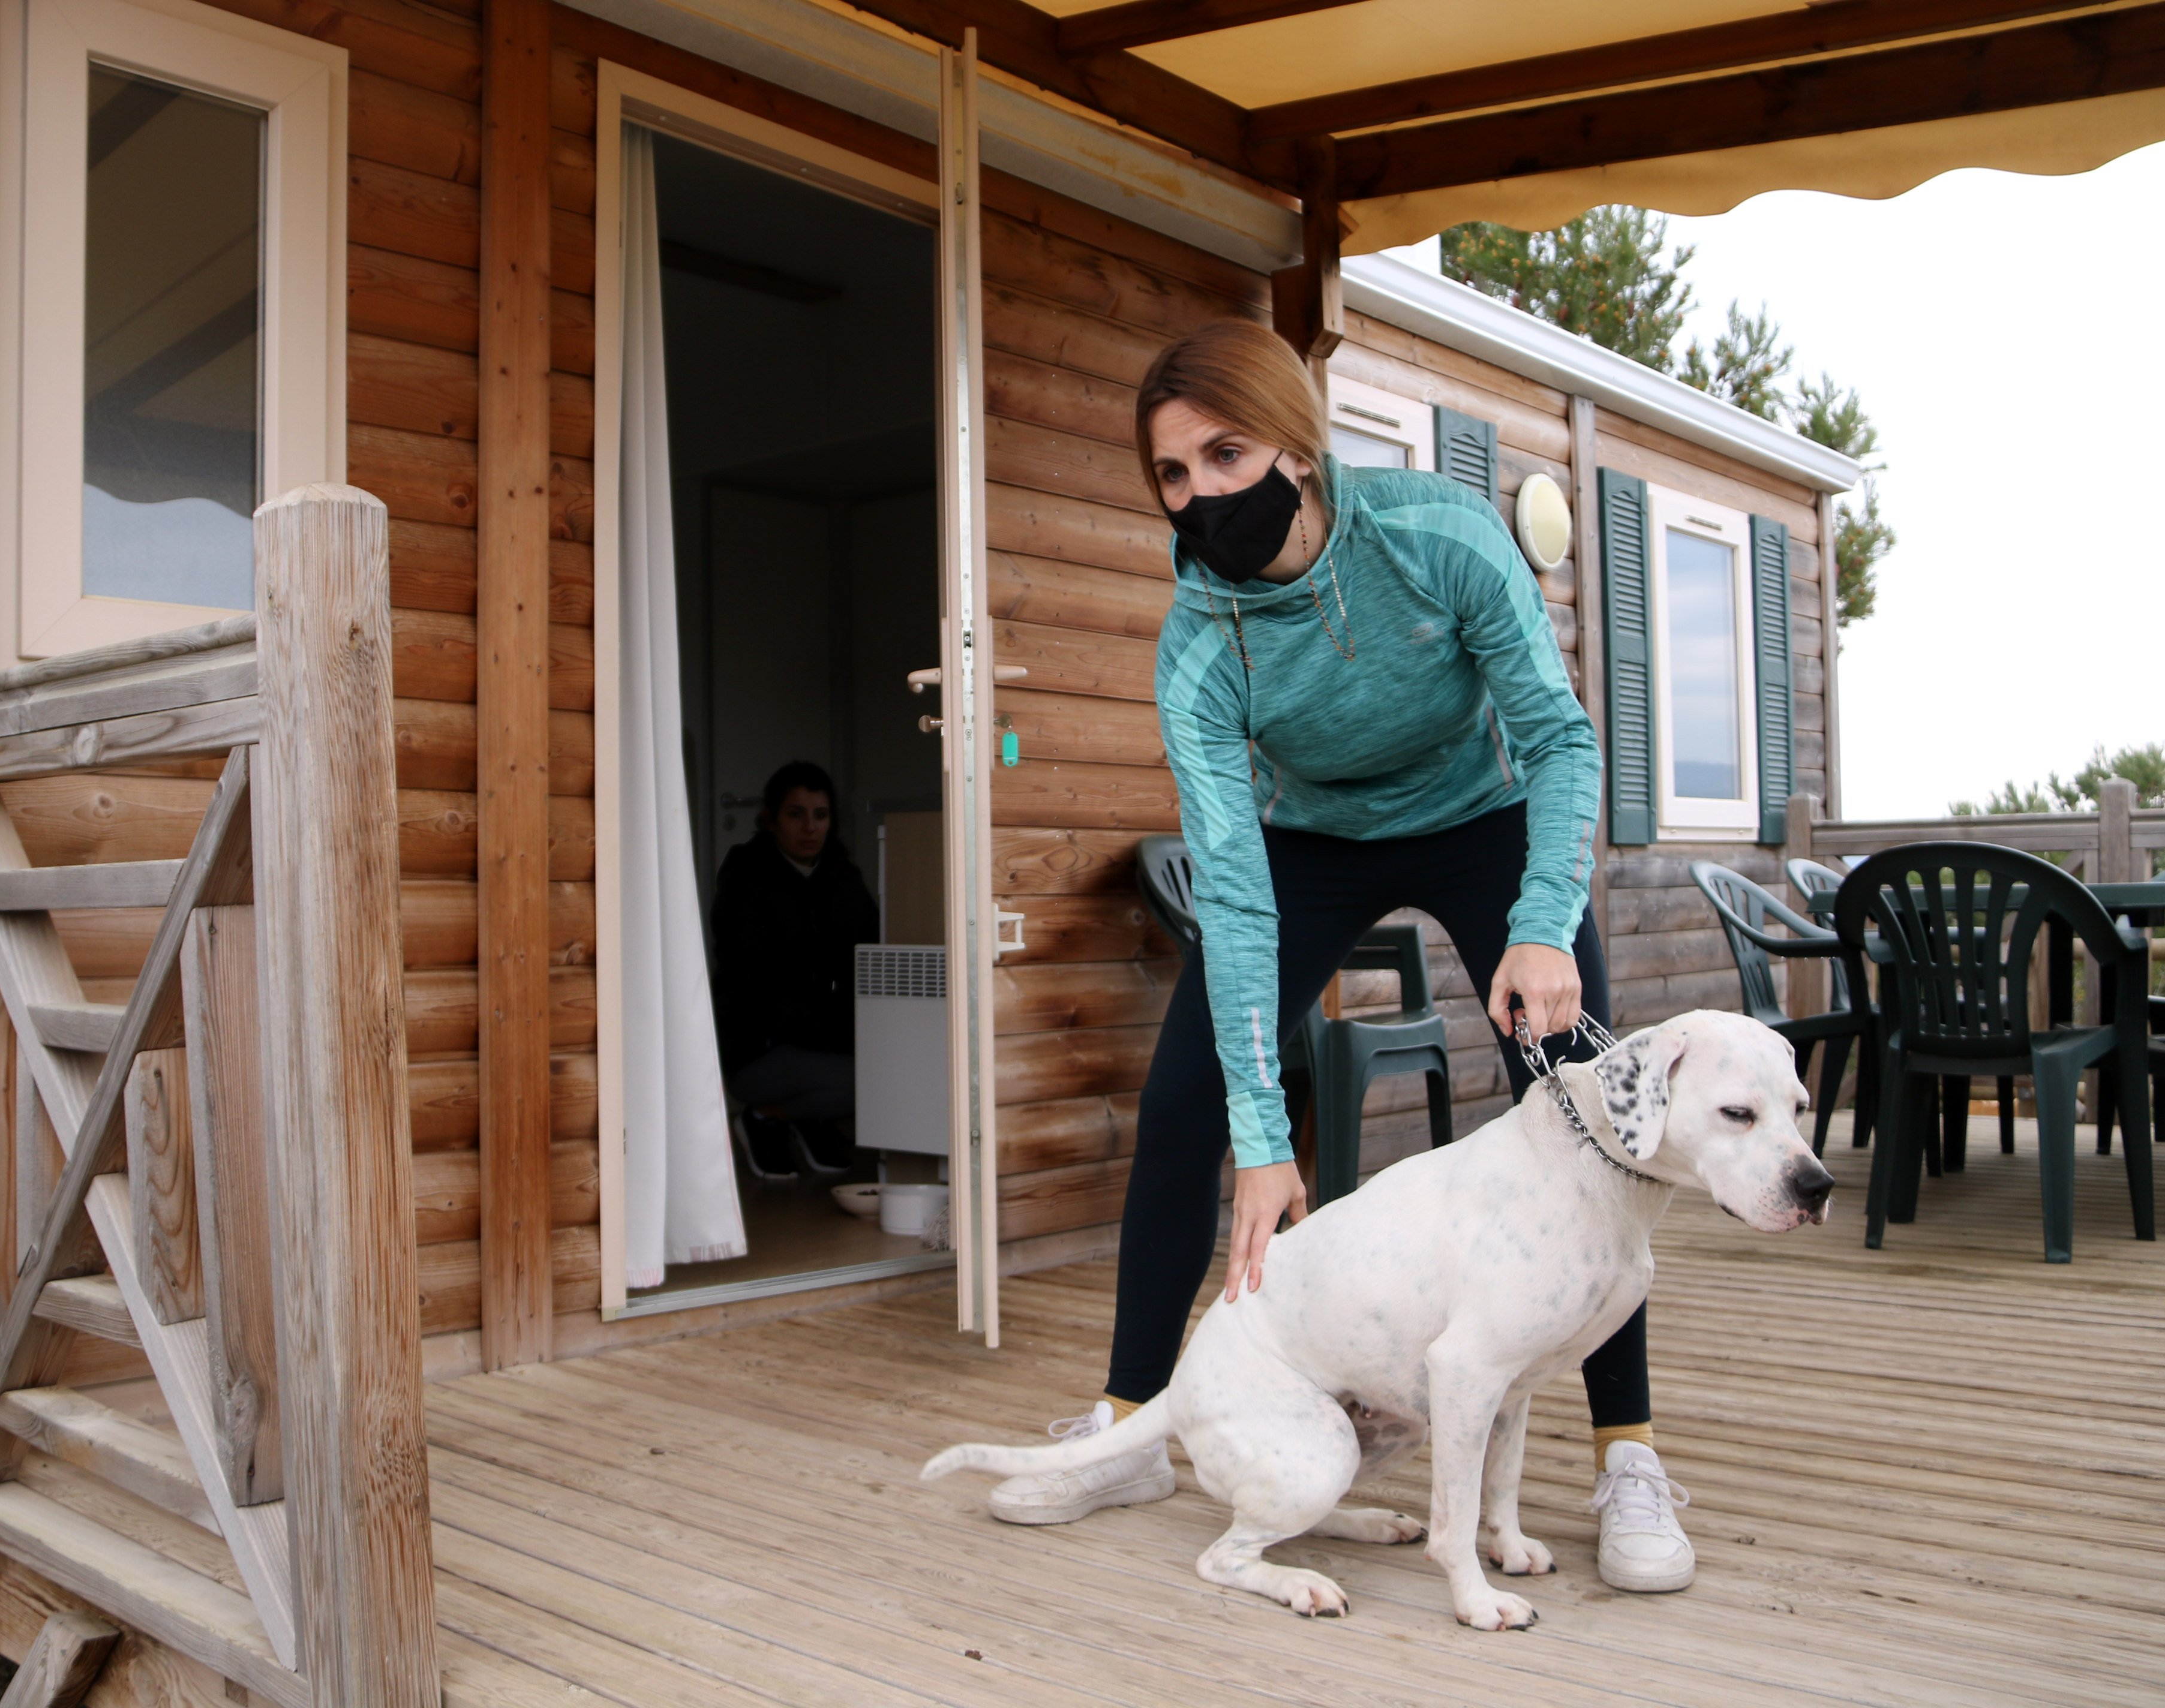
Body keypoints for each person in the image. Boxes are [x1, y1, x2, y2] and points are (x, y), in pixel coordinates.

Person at [983, 321, 1696, 1596]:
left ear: (1299, 449)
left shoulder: (1443, 537)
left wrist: (1542, 916)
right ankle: (1132, 1415)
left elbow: (1559, 738)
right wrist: (1265, 1136)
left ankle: (1628, 1449)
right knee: (1187, 1096)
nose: (1203, 493)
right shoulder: (1199, 646)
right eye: (1173, 474)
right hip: (1310, 840)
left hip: (1483, 821)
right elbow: (1238, 900)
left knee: (1591, 1100)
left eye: (1226, 452)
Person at [710, 760, 881, 1176]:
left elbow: (871, 951)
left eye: (820, 815)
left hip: (825, 1037)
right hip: (760, 1046)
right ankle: (767, 1116)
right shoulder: (746, 877)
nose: (810, 828)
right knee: (875, 1079)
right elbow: (758, 983)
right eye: (796, 814)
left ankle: (797, 1116)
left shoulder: (842, 876)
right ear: (770, 821)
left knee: (898, 1062)